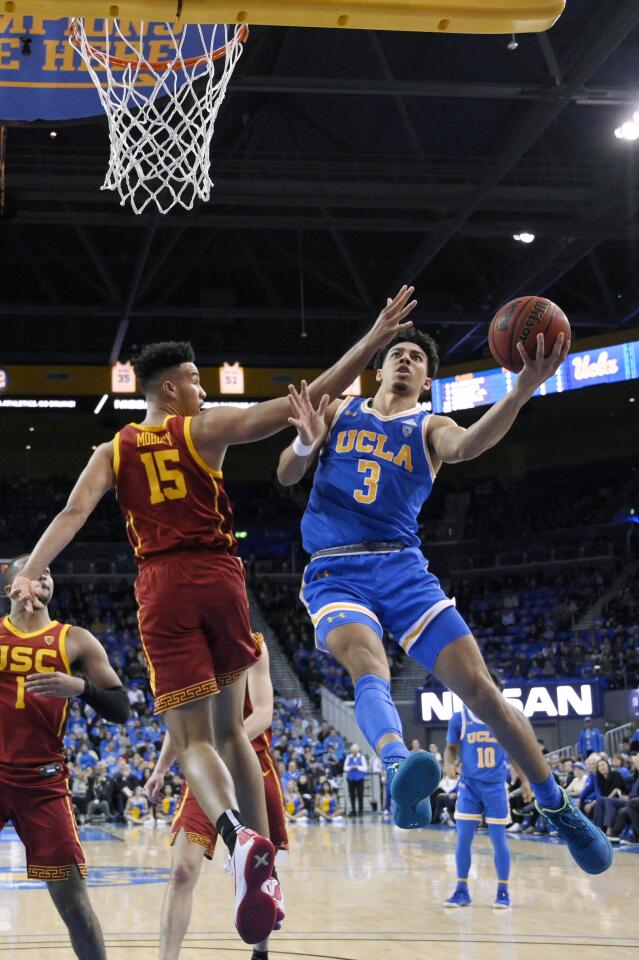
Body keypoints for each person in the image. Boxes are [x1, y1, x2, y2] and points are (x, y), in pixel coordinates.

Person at [11, 286, 417, 943]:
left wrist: (30, 567)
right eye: (195, 381)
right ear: (169, 388)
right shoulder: (205, 430)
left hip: (162, 585)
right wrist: (369, 341)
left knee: (195, 741)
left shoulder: (111, 451)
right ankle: (263, 870)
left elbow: (71, 515)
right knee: (233, 737)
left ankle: (236, 839)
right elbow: (303, 402)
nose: (201, 389)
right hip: (223, 580)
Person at [278, 320, 612, 874]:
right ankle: (397, 766)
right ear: (379, 369)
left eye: (415, 357)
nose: (405, 360)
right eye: (397, 354)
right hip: (336, 570)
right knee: (367, 661)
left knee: (482, 690)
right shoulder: (339, 410)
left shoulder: (430, 425)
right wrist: (304, 441)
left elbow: (468, 446)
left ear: (428, 379)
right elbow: (288, 475)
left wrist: (523, 387)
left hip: (403, 569)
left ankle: (558, 805)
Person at [0, 557, 130, 960]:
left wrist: (80, 687)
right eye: (31, 570)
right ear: (10, 587)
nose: (42, 575)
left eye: (47, 572)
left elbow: (120, 708)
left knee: (74, 905)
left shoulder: (76, 640)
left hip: (43, 785)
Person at [145, 638, 288, 960]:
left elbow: (263, 714)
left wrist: (223, 744)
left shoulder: (253, 644)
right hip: (204, 771)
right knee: (181, 870)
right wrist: (160, 769)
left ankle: (260, 953)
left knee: (261, 869)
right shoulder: (185, 646)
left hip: (251, 762)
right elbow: (182, 723)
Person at [443, 675, 530, 909]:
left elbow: (515, 753)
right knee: (463, 838)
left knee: (498, 839)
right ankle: (461, 889)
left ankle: (503, 891)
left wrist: (525, 782)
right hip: (469, 786)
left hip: (495, 787)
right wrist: (448, 765)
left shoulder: (503, 718)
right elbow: (450, 748)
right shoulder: (459, 717)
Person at [343, 743, 368, 817]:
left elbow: (365, 768)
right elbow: (345, 768)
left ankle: (360, 811)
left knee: (360, 794)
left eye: (355, 751)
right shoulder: (348, 757)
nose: (354, 753)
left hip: (359, 778)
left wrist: (357, 767)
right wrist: (351, 767)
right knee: (352, 795)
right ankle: (353, 810)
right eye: (353, 751)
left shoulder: (361, 757)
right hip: (350, 778)